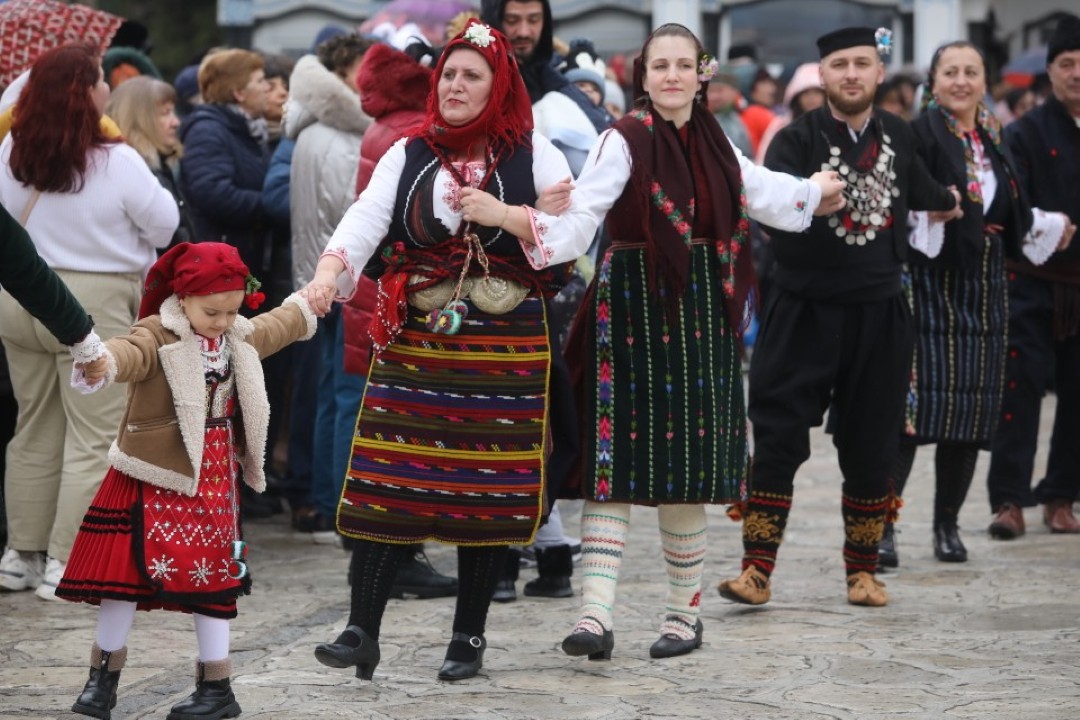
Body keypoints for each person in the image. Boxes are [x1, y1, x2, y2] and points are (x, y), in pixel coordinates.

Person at [299, 20, 594, 681]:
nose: (456, 85)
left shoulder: (533, 152)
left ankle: (468, 639)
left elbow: (576, 231)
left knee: (482, 495)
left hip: (502, 347)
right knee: (386, 487)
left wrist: (509, 216)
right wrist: (328, 272)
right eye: (449, 74)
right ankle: (359, 630)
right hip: (418, 341)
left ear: (498, 85)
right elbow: (365, 219)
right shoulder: (411, 152)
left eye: (472, 75)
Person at [556, 23, 844, 661]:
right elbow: (583, 216)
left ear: (701, 73)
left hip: (699, 319)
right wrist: (537, 221)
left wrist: (814, 193)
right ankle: (594, 616)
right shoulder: (621, 138)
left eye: (684, 65)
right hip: (630, 309)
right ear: (643, 74)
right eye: (660, 65)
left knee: (685, 470)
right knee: (616, 469)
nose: (672, 77)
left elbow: (764, 191)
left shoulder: (717, 144)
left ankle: (682, 619)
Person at [716, 26, 961, 609]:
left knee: (872, 440)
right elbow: (772, 219)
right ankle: (756, 570)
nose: (851, 74)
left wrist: (955, 202)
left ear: (880, 74)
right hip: (803, 307)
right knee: (776, 434)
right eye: (839, 65)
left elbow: (929, 191)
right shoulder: (792, 141)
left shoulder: (900, 134)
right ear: (820, 76)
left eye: (863, 64)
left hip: (880, 312)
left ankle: (862, 571)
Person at [57, 242, 316, 720]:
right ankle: (102, 682)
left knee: (216, 580)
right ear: (183, 298)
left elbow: (273, 328)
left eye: (232, 310)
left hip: (216, 477)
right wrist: (104, 362)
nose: (222, 321)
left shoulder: (236, 334)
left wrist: (307, 304)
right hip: (152, 471)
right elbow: (129, 351)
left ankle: (217, 689)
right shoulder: (159, 333)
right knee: (123, 578)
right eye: (211, 311)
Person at [880, 41, 1072, 568]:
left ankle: (947, 525)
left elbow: (1013, 206)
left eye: (971, 72)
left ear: (984, 82)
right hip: (930, 279)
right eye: (950, 72)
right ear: (933, 81)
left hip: (986, 286)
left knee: (968, 414)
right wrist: (928, 212)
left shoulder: (994, 137)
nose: (960, 81)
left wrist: (1049, 227)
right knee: (913, 413)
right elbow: (896, 197)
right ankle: (883, 526)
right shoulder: (917, 133)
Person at [0, 43, 179, 600]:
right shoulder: (116, 158)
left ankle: (20, 556)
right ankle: (66, 560)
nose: (107, 88)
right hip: (93, 301)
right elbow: (164, 224)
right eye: (100, 79)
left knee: (33, 427)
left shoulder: (9, 148)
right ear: (87, 92)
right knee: (92, 433)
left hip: (16, 295)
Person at [352, 38, 459, 599]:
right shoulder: (411, 136)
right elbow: (381, 219)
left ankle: (387, 548)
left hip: (379, 291)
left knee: (385, 431)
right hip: (404, 295)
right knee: (404, 437)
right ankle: (398, 554)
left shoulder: (384, 124)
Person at [986, 14, 1080, 538]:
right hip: (1031, 280)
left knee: (1078, 395)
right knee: (1019, 391)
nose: (1077, 74)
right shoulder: (1023, 132)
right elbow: (1013, 202)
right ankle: (1008, 500)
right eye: (1067, 64)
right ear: (1049, 71)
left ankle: (1061, 496)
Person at [180, 49, 271, 279]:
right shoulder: (208, 131)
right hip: (221, 265)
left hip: (241, 257)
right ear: (239, 93)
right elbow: (214, 194)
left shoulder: (246, 128)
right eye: (260, 81)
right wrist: (272, 206)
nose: (267, 87)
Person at [105, 75, 197, 249]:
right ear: (138, 120)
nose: (176, 122)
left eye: (173, 111)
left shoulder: (161, 164)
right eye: (165, 113)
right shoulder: (134, 170)